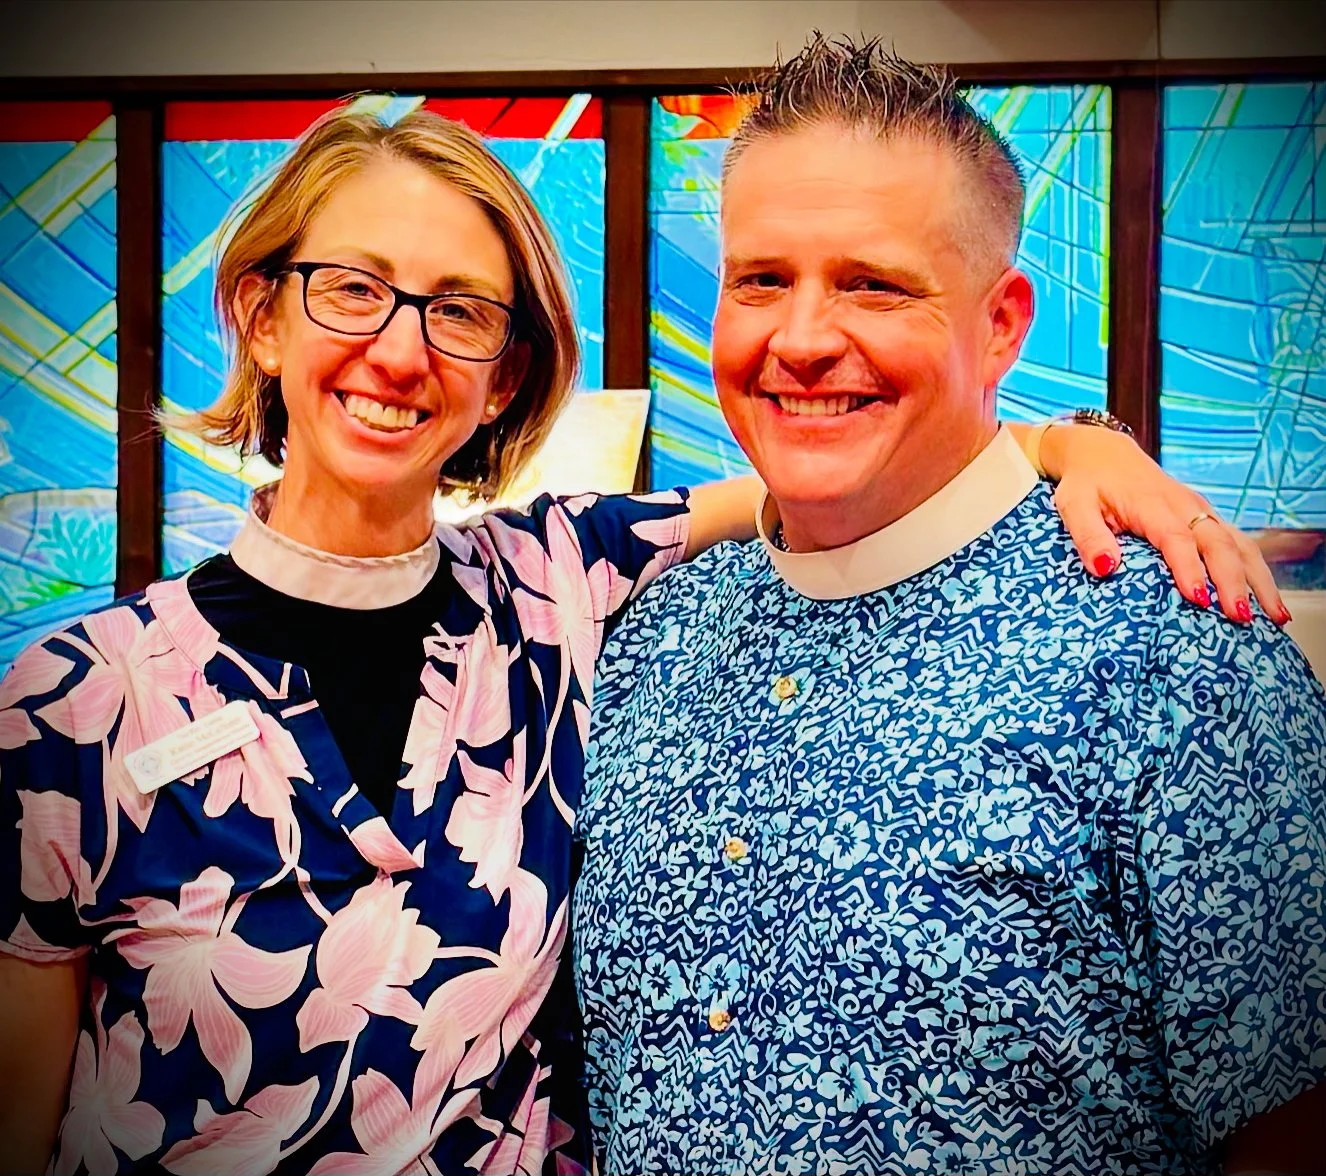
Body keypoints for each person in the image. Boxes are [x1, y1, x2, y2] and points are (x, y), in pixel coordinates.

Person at [0, 104, 1286, 1176]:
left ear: (503, 376)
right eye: (351, 290)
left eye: (459, 312)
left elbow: (836, 474)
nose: (400, 349)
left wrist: (1078, 444)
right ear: (261, 316)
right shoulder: (74, 702)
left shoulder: (556, 587)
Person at [573, 37, 1326, 1176]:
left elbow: (1292, 1126)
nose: (804, 338)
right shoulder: (650, 639)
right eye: (761, 280)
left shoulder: (1181, 655)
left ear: (1004, 324)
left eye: (875, 284)